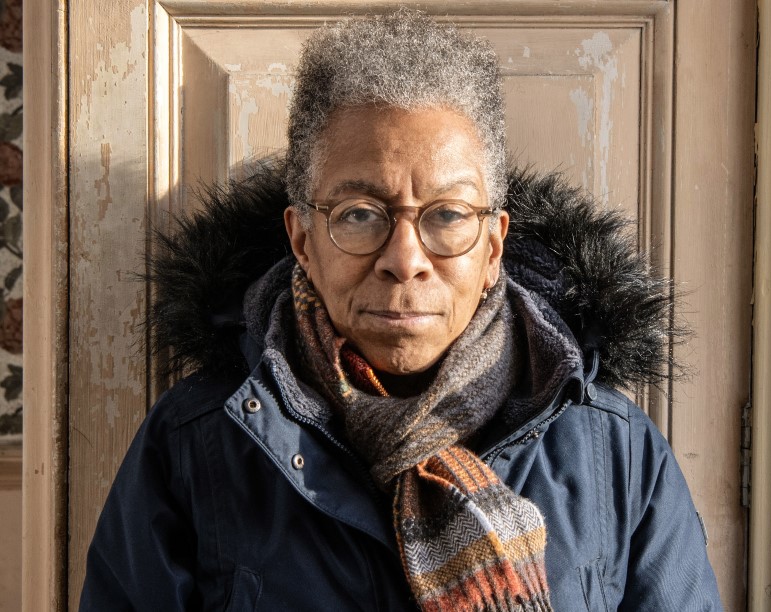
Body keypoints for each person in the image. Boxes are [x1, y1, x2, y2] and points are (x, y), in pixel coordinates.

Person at [80, 10, 721, 611]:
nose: (405, 259)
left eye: (448, 215)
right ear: (302, 240)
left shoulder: (614, 450)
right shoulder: (195, 443)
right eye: (360, 214)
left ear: (493, 246)